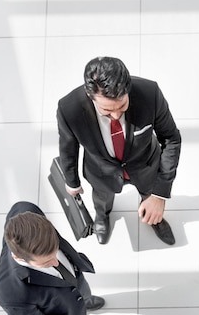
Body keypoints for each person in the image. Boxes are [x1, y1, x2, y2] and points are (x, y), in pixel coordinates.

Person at [57, 56, 182, 245]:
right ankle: (102, 217)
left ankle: (153, 217)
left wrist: (159, 195)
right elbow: (68, 148)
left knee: (149, 195)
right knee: (101, 200)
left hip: (146, 166)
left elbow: (171, 138)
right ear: (90, 95)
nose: (116, 115)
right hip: (100, 172)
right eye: (107, 110)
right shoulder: (69, 108)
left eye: (122, 106)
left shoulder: (150, 93)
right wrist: (72, 182)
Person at [0, 201, 107, 315]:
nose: (56, 263)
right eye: (46, 262)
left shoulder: (27, 211)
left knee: (83, 290)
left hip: (75, 279)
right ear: (18, 257)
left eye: (55, 252)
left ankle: (85, 300)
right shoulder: (13, 293)